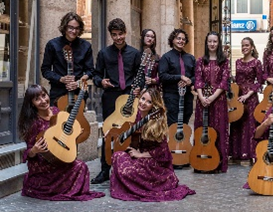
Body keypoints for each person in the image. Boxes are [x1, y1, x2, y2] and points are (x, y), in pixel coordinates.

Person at [18, 84, 104, 201]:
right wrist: (34, 150)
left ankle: (65, 188)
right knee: (75, 169)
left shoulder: (57, 112)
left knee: (81, 167)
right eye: (37, 99)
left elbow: (64, 136)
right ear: (32, 104)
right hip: (45, 166)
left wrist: (75, 135)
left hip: (61, 158)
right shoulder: (34, 124)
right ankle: (51, 188)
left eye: (44, 95)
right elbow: (27, 153)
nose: (43, 101)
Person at [110, 87, 196, 201]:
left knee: (126, 169)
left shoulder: (156, 121)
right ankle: (133, 184)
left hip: (154, 163)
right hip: (140, 156)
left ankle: (140, 186)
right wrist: (113, 132)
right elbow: (133, 132)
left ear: (154, 105)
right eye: (143, 99)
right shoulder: (139, 115)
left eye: (149, 102)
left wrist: (141, 155)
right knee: (117, 156)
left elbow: (163, 151)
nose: (143, 103)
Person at [91, 18, 142, 184]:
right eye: (114, 35)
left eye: (120, 34)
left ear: (125, 32)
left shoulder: (135, 54)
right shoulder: (104, 53)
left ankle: (129, 168)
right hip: (111, 97)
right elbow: (96, 74)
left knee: (130, 132)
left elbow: (139, 76)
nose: (118, 38)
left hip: (129, 98)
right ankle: (105, 170)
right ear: (110, 35)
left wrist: (138, 88)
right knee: (108, 134)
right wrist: (101, 82)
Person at [194, 31, 230, 173]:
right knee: (202, 129)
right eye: (210, 41)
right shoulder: (200, 60)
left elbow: (224, 82)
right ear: (206, 43)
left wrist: (212, 98)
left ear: (218, 43)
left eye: (215, 41)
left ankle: (217, 162)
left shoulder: (225, 61)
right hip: (202, 100)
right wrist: (202, 97)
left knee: (218, 130)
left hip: (218, 100)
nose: (212, 44)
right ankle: (201, 160)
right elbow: (198, 80)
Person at [41, 12, 94, 105]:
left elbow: (90, 71)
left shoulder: (86, 46)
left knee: (77, 119)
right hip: (58, 92)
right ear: (65, 27)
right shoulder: (53, 45)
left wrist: (78, 82)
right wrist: (60, 79)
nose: (74, 31)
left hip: (79, 92)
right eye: (71, 27)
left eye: (77, 28)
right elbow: (45, 70)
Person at [229, 37, 264, 162]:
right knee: (237, 122)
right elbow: (237, 80)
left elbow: (260, 81)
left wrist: (247, 95)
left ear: (252, 47)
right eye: (242, 45)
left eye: (247, 45)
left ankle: (251, 154)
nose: (244, 47)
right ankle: (236, 154)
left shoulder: (256, 63)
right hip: (238, 95)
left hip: (250, 97)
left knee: (250, 125)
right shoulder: (238, 62)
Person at [159, 28, 196, 126]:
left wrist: (190, 81)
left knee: (185, 124)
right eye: (178, 38)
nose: (181, 41)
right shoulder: (166, 57)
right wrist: (180, 77)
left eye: (183, 39)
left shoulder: (190, 58)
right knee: (173, 125)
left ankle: (184, 142)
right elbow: (162, 76)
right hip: (172, 96)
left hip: (187, 95)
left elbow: (196, 75)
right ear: (173, 40)